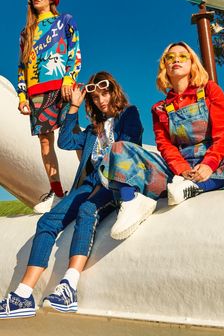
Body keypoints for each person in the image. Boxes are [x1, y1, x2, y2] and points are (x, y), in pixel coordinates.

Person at [0, 71, 143, 318]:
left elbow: (131, 145)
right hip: (89, 183)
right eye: (95, 97)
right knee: (47, 222)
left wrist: (107, 177)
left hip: (116, 180)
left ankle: (69, 286)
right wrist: (74, 107)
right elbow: (65, 142)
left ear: (114, 91)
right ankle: (23, 294)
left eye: (104, 93)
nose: (101, 100)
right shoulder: (91, 131)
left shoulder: (128, 114)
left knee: (88, 210)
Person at [98, 42, 224, 240]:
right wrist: (181, 170)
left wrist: (208, 165)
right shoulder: (160, 108)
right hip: (175, 171)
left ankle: (196, 187)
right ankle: (132, 201)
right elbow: (166, 146)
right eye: (170, 57)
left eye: (182, 56)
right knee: (119, 149)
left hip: (215, 164)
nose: (176, 60)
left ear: (192, 63)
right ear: (165, 67)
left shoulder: (209, 91)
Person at [17, 0, 81, 214]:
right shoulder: (26, 33)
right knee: (45, 141)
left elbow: (74, 49)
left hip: (61, 86)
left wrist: (68, 78)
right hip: (35, 92)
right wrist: (22, 96)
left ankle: (91, 180)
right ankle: (57, 192)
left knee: (73, 133)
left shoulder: (64, 21)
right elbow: (22, 66)